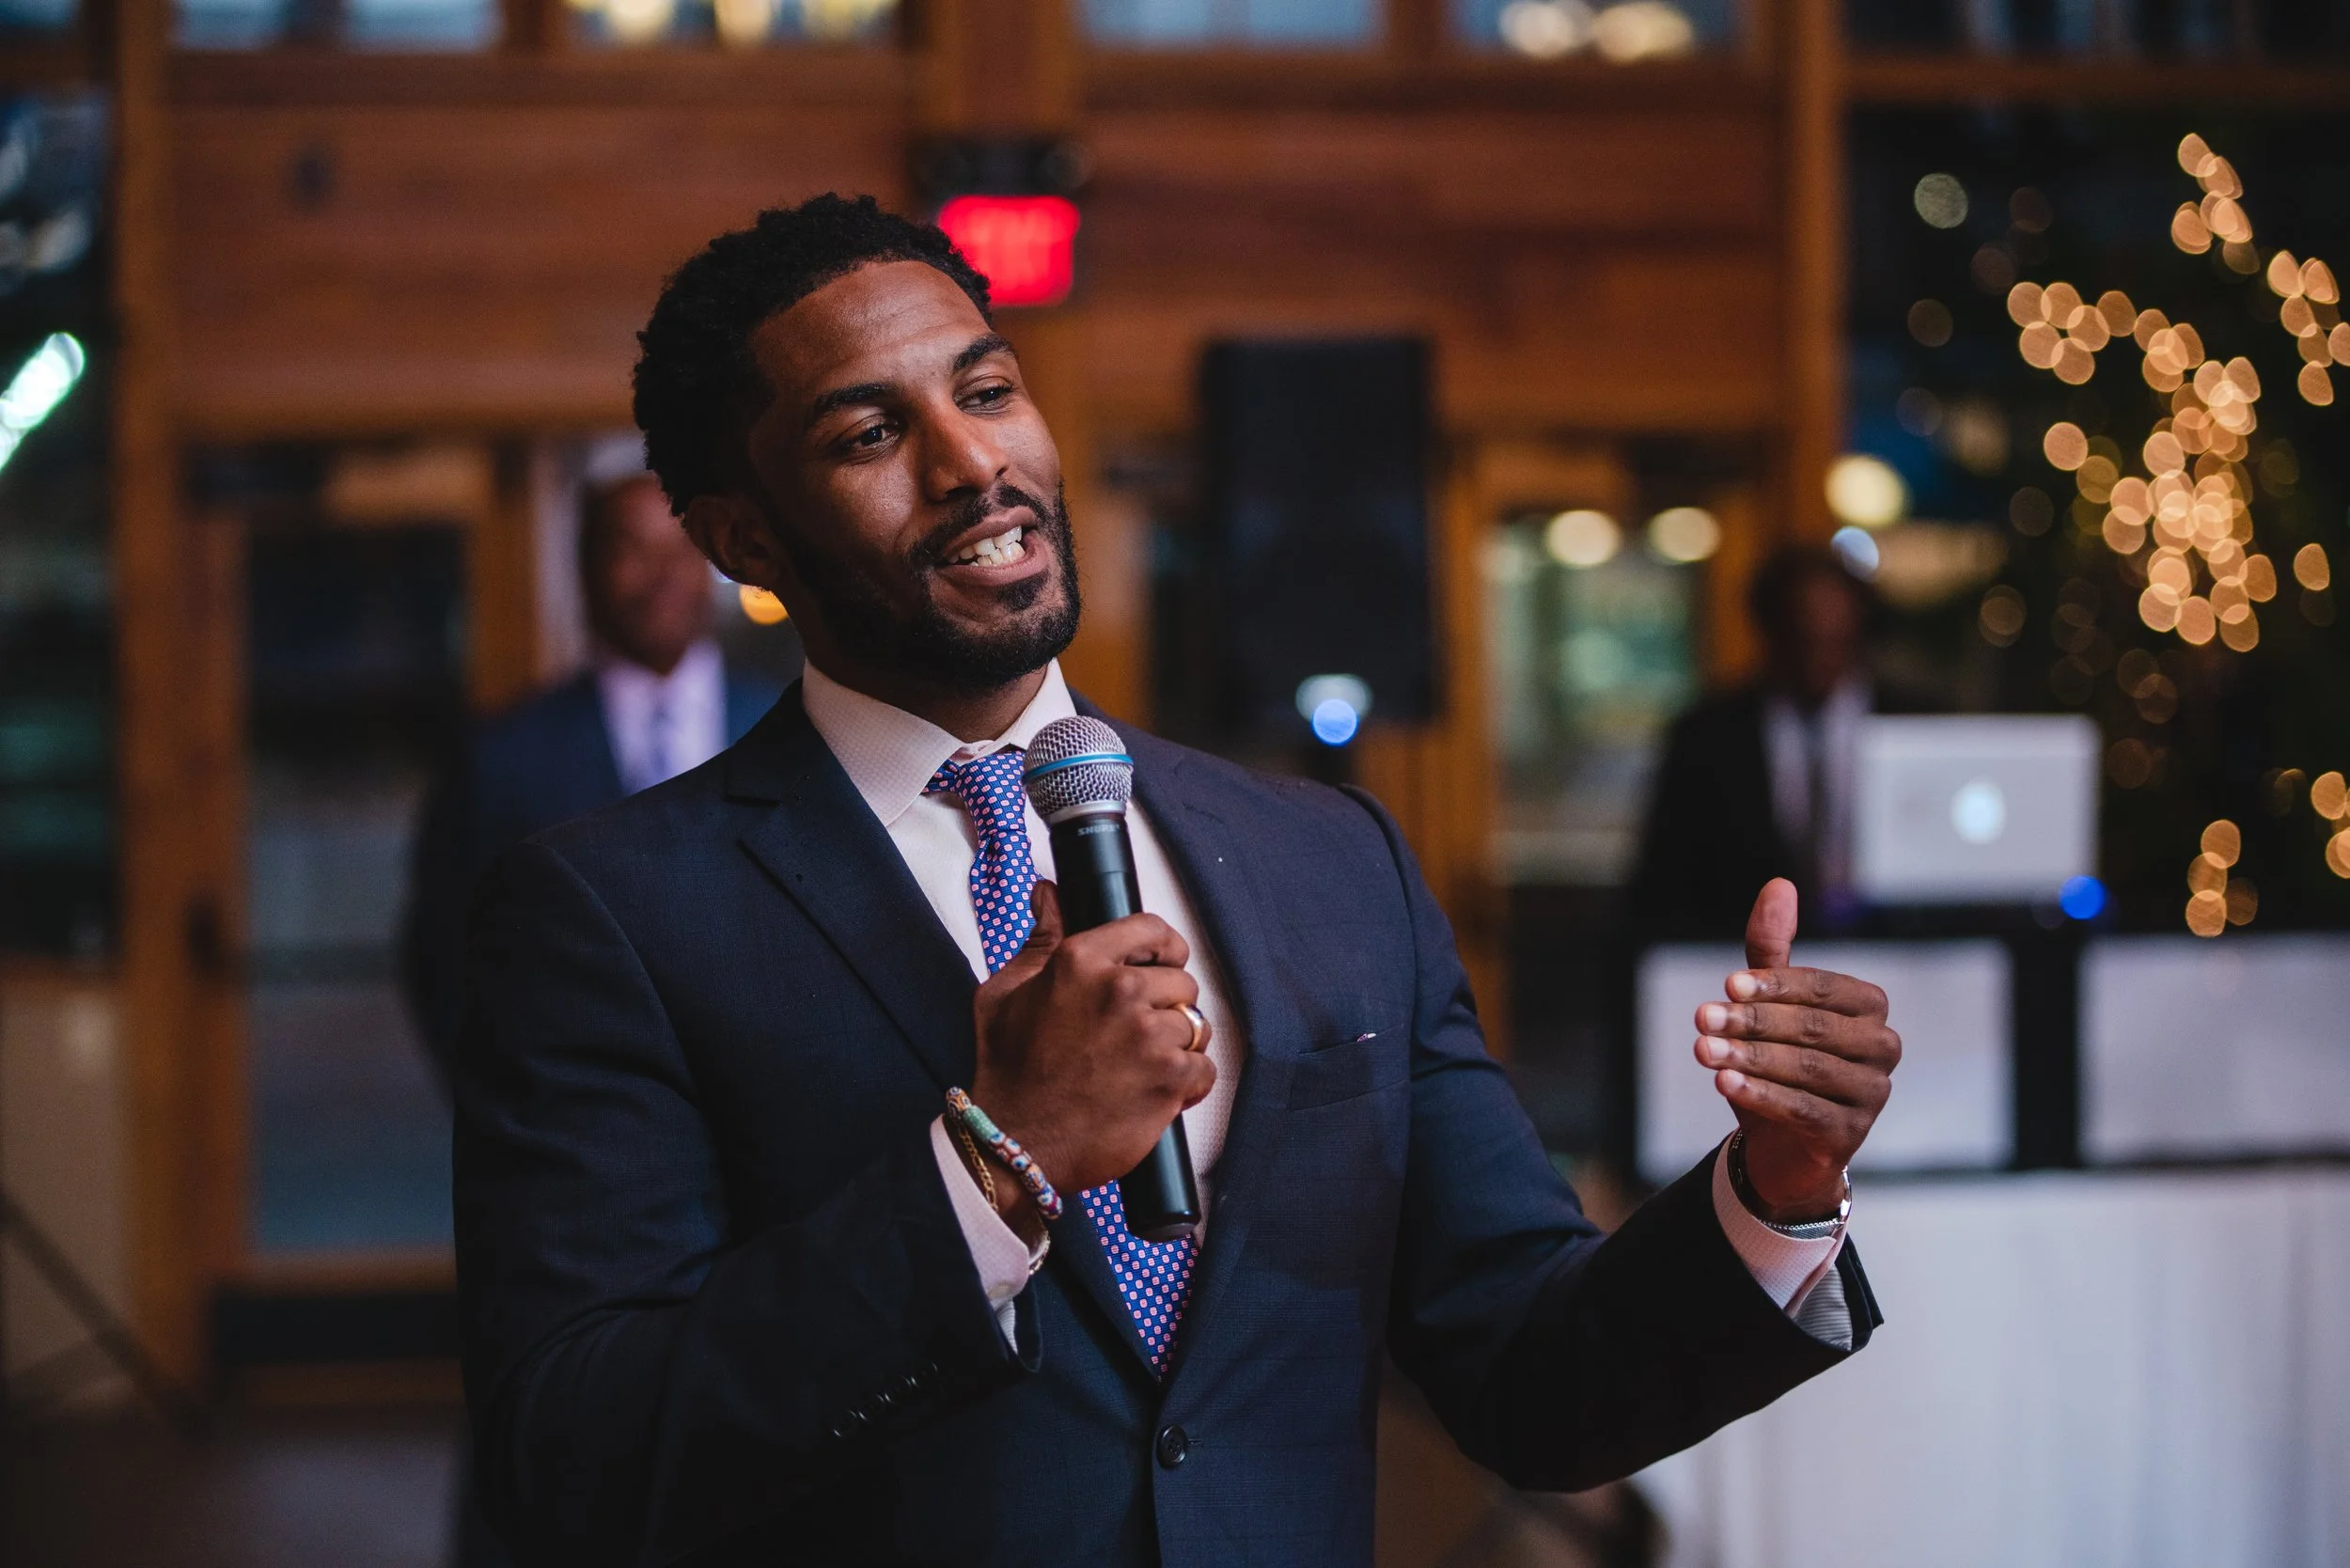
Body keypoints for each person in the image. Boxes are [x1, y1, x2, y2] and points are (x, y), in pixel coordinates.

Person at [453, 196, 1903, 1568]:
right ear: (744, 539)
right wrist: (992, 1172)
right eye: (869, 432)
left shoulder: (1332, 862)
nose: (970, 464)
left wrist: (1770, 1197)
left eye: (990, 389)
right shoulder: (612, 915)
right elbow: (577, 1460)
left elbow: (1532, 1376)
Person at [401, 467, 783, 1085]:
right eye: (631, 548)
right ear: (581, 570)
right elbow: (445, 958)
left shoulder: (790, 729)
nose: (662, 574)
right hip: (574, 1120)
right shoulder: (504, 756)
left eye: (681, 548)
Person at [1629, 544, 1924, 938]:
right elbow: (1663, 883)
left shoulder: (1914, 721)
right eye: (1802, 640)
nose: (1817, 660)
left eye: (1834, 642)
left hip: (1905, 964)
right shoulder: (1707, 736)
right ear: (1770, 634)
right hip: (1739, 961)